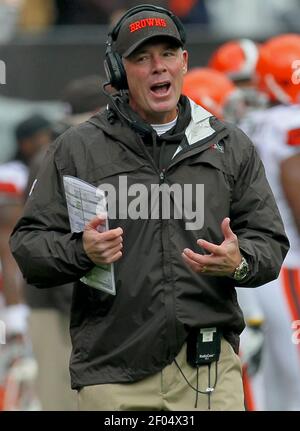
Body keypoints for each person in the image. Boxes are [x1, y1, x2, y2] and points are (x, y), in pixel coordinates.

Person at [10, 5, 289, 411]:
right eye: (142, 58)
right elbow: (28, 247)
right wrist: (80, 252)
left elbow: (269, 241)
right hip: (113, 375)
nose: (159, 67)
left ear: (185, 62)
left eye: (168, 54)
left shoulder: (229, 145)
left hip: (206, 372)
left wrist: (240, 261)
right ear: (119, 72)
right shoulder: (78, 149)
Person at [234, 33, 300, 411]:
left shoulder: (259, 122)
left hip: (269, 262)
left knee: (278, 384)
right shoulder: (288, 124)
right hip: (291, 266)